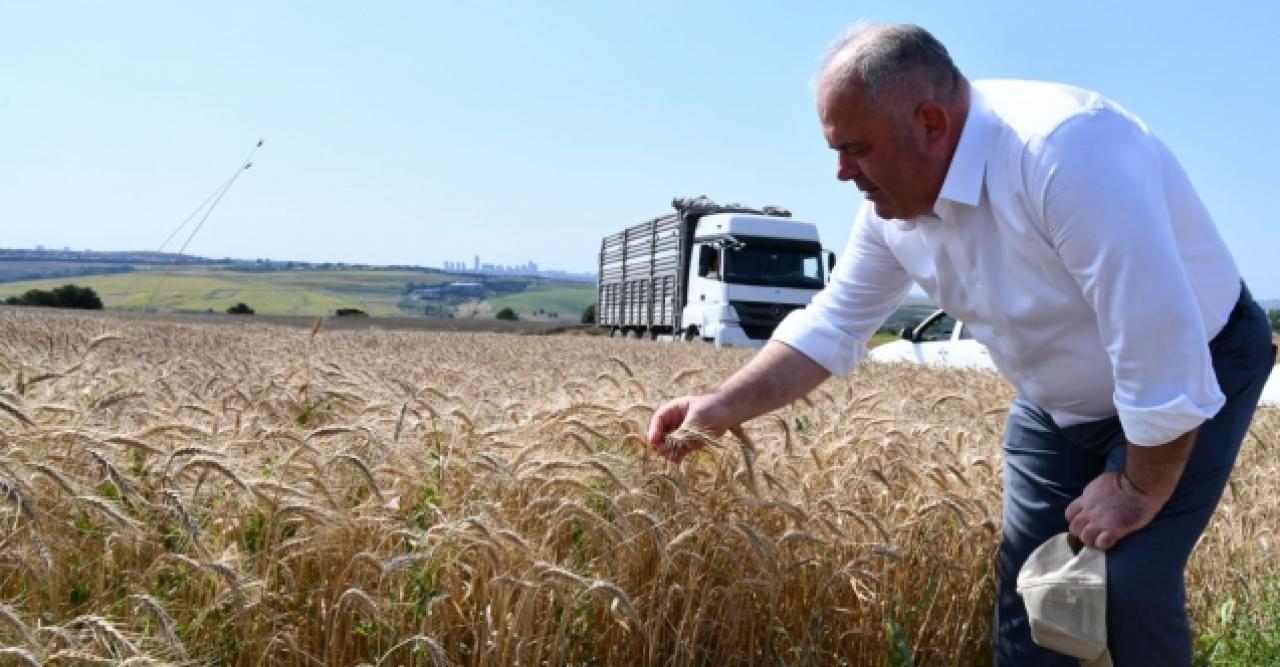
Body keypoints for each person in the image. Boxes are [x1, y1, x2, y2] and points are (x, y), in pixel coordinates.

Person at [646, 22, 1277, 666]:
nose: (841, 173)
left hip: (1198, 361)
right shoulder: (890, 209)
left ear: (930, 123)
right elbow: (832, 324)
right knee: (1032, 592)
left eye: (856, 148)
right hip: (1056, 405)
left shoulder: (1066, 153)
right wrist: (721, 407)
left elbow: (1159, 348)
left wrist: (1137, 490)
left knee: (1127, 583)